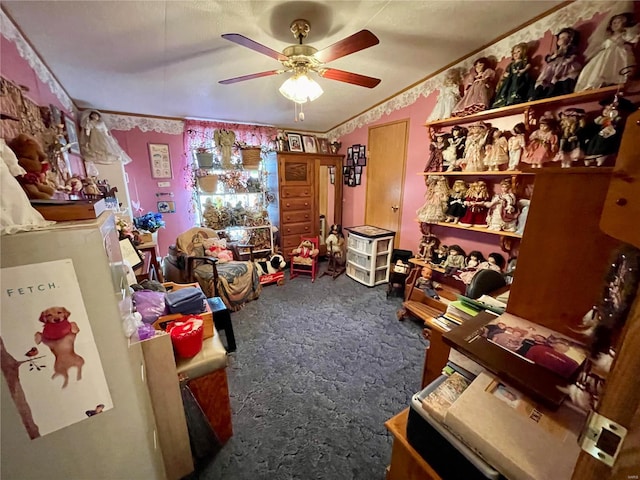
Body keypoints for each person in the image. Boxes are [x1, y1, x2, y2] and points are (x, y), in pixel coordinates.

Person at [575, 12, 639, 92]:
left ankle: (614, 82)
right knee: (599, 68)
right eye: (614, 23)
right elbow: (600, 47)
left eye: (619, 22)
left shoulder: (624, 35)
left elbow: (633, 39)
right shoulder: (608, 39)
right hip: (605, 55)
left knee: (616, 68)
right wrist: (590, 56)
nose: (616, 24)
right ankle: (597, 83)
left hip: (619, 54)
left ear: (625, 23)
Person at [531, 27, 582, 100]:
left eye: (564, 37)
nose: (561, 39)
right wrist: (554, 56)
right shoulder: (556, 51)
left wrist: (568, 58)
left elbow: (573, 55)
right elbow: (548, 59)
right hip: (553, 66)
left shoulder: (570, 48)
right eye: (560, 37)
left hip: (564, 65)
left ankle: (558, 90)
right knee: (546, 78)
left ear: (570, 39)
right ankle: (542, 92)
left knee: (561, 78)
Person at [492, 43, 533, 108]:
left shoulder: (523, 61)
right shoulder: (511, 64)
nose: (516, 54)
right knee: (505, 86)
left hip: (519, 76)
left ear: (523, 52)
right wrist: (505, 75)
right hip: (510, 78)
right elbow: (507, 71)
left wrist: (523, 70)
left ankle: (515, 95)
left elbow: (528, 66)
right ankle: (503, 99)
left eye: (518, 52)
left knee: (517, 82)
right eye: (514, 53)